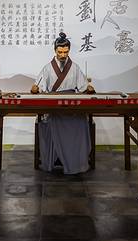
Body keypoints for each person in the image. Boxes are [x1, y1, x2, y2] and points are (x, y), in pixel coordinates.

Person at [31, 32, 95, 174]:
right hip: (53, 106)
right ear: (55, 50)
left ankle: (76, 161)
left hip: (71, 106)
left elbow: (83, 87)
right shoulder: (47, 68)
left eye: (66, 52)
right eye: (60, 52)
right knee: (53, 118)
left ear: (69, 51)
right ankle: (56, 158)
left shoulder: (75, 67)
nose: (63, 55)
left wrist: (88, 88)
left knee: (81, 121)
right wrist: (35, 88)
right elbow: (39, 87)